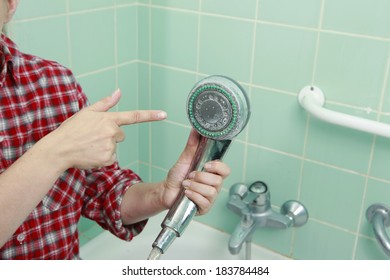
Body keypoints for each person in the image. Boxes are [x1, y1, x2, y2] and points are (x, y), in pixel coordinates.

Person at [0, 0, 230, 259]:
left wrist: (162, 194)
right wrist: (55, 151)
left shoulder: (56, 83)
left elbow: (101, 190)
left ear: (9, 6)